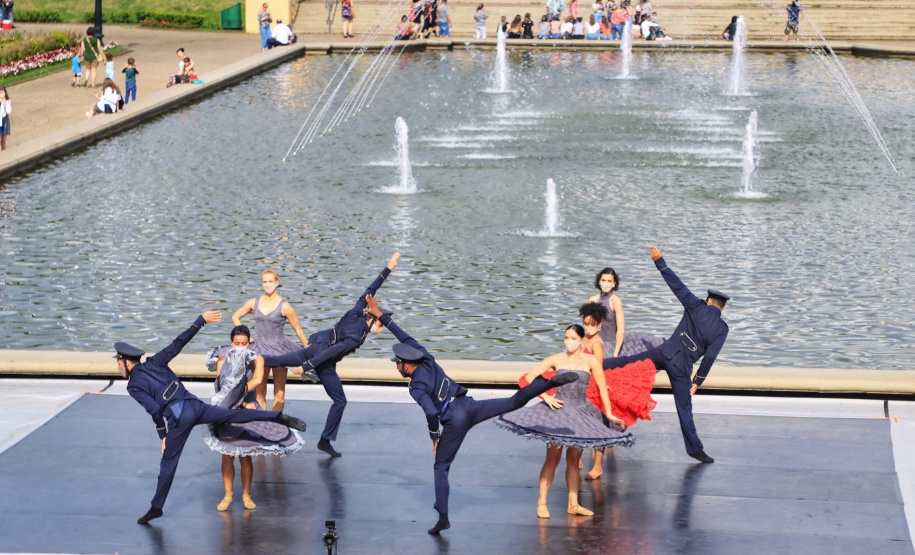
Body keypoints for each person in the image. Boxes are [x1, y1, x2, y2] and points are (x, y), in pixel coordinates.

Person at [373, 298, 582, 535]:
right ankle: (549, 382)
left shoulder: (415, 387)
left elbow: (431, 412)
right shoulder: (427, 358)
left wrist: (435, 435)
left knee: (441, 467)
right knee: (514, 401)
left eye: (397, 364)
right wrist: (382, 316)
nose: (396, 368)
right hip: (469, 405)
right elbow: (404, 336)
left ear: (405, 365)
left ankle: (443, 517)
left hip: (454, 420)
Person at [116, 311, 308, 524]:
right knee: (235, 414)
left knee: (168, 463)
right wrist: (200, 321)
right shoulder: (155, 361)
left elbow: (154, 410)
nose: (117, 366)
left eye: (118, 363)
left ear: (125, 362)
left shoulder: (133, 385)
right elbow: (178, 343)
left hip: (180, 418)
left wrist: (163, 435)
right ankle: (278, 416)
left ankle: (156, 507)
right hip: (196, 406)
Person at [259, 253, 400, 458]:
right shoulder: (356, 337)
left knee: (279, 361)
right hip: (321, 356)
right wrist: (305, 367)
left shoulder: (358, 310)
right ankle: (325, 441)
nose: (382, 328)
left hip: (319, 343)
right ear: (372, 320)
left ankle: (251, 360)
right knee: (339, 401)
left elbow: (371, 289)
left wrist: (388, 268)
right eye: (381, 324)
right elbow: (330, 353)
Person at [602, 246, 730, 464]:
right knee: (684, 408)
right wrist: (697, 381)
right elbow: (709, 358)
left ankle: (594, 365)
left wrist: (660, 262)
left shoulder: (697, 305)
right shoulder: (722, 328)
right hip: (682, 367)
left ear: (708, 301)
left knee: (626, 362)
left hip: (665, 351)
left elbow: (677, 286)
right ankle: (695, 450)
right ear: (723, 308)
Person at [495, 325, 629, 519]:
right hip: (558, 415)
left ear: (582, 341)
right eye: (566, 337)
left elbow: (602, 388)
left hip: (580, 414)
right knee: (552, 459)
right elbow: (528, 377)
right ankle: (542, 503)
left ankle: (573, 504)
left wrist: (608, 413)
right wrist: (546, 397)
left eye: (573, 337)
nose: (569, 341)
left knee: (574, 461)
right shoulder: (557, 359)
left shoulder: (590, 360)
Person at [203, 326, 306, 512]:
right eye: (236, 343)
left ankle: (246, 495)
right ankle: (227, 496)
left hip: (248, 407)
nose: (240, 347)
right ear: (231, 342)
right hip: (226, 408)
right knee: (227, 456)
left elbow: (258, 380)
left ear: (249, 341)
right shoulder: (224, 357)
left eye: (243, 343)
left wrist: (241, 394)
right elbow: (220, 382)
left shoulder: (257, 358)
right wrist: (232, 397)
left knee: (245, 457)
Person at [232, 269, 310, 412]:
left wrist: (310, 351)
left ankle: (277, 427)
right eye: (265, 281)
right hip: (260, 350)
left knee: (279, 394)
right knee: (260, 394)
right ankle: (263, 425)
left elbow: (298, 330)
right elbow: (235, 317)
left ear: (277, 283)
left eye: (271, 281)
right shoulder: (254, 302)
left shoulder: (285, 305)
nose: (268, 284)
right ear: (262, 283)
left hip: (280, 351)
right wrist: (247, 337)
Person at [589, 266, 663, 359]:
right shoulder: (592, 300)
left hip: (612, 344)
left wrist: (615, 354)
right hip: (596, 342)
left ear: (614, 283)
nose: (606, 284)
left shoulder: (615, 301)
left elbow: (621, 330)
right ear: (599, 281)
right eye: (603, 280)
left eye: (609, 281)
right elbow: (589, 327)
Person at [0, 87, 9, 151]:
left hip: (5, 120)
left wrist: (4, 100)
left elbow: (8, 111)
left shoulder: (7, 101)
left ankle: (4, 152)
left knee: (3, 141)